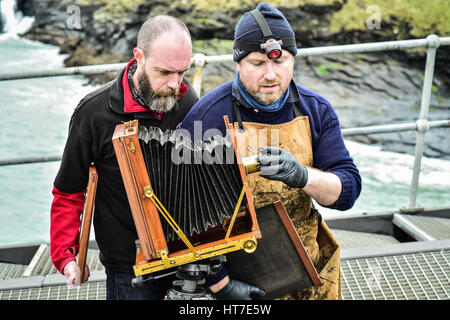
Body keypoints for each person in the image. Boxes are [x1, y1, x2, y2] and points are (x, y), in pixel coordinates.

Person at [179, 2, 362, 300]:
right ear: (237, 63)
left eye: (281, 61)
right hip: (244, 281)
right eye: (257, 62)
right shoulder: (206, 118)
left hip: (312, 273)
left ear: (293, 59)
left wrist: (304, 176)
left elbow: (348, 193)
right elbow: (179, 213)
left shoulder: (316, 110)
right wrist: (221, 284)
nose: (270, 75)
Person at [50, 15, 199, 300]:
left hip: (185, 254)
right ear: (139, 57)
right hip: (127, 267)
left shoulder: (187, 98)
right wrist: (65, 257)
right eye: (165, 72)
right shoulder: (93, 113)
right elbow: (68, 192)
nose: (174, 84)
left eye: (182, 72)